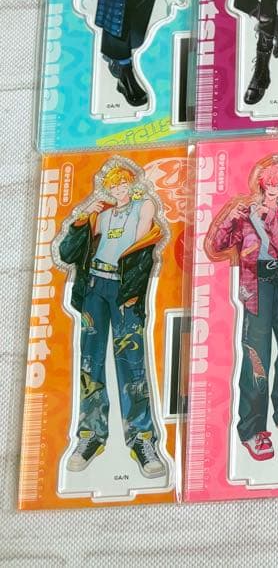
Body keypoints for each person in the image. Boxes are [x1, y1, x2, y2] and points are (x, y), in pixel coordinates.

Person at [58, 164, 167, 479]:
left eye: (123, 184)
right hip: (95, 285)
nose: (118, 190)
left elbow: (140, 241)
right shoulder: (100, 215)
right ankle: (91, 434)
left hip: (124, 289)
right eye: (113, 186)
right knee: (90, 362)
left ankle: (142, 438)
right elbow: (67, 254)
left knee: (131, 361)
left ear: (131, 184)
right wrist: (83, 217)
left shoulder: (143, 205)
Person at [207, 160, 278, 462]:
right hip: (255, 286)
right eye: (271, 183)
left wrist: (270, 218)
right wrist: (231, 218)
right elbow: (218, 245)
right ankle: (253, 429)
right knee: (256, 355)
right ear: (262, 183)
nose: (275, 188)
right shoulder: (246, 211)